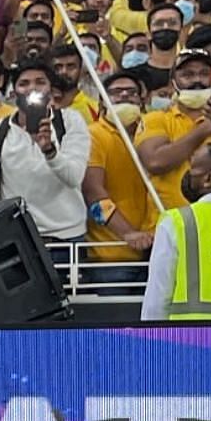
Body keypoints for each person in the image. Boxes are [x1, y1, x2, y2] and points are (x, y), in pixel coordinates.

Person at [0, 61, 91, 248]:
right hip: (17, 237)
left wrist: (50, 151)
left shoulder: (71, 122)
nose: (32, 88)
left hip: (66, 236)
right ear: (13, 92)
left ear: (51, 90)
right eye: (24, 83)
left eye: (40, 82)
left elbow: (74, 177)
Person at [82, 68, 157, 282]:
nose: (124, 96)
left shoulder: (154, 131)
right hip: (112, 256)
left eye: (131, 92)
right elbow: (93, 193)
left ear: (142, 101)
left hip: (158, 250)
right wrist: (128, 234)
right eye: (116, 92)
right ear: (103, 102)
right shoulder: (94, 134)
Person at [141, 140, 211, 320]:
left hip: (189, 341)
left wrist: (150, 342)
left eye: (193, 169)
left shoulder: (177, 222)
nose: (187, 175)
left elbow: (157, 299)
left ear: (209, 179)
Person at [137, 50, 211, 209]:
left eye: (204, 73)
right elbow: (155, 162)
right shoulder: (156, 118)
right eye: (188, 75)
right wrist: (204, 129)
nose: (197, 80)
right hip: (168, 222)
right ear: (173, 83)